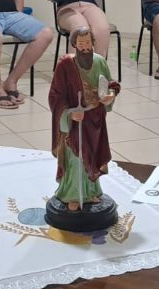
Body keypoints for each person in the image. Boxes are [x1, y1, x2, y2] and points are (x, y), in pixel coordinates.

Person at [49, 27, 119, 210]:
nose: (85, 47)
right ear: (74, 44)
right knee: (75, 156)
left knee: (93, 155)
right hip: (75, 121)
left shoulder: (100, 61)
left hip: (95, 118)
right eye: (81, 43)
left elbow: (111, 84)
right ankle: (71, 194)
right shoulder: (65, 65)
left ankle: (91, 192)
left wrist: (110, 95)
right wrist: (69, 113)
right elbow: (56, 95)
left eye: (88, 42)